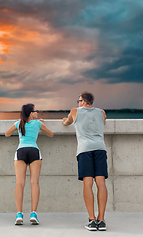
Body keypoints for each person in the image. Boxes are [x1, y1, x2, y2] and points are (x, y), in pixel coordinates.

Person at [62, 92, 108, 231]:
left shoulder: (74, 111)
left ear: (82, 101)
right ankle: (102, 219)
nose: (77, 103)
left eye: (78, 100)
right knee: (101, 183)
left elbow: (67, 122)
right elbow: (102, 122)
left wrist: (65, 120)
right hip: (100, 149)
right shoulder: (101, 112)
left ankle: (91, 220)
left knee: (88, 184)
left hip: (85, 150)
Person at [5, 103, 53, 225]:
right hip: (34, 151)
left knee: (20, 184)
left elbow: (7, 133)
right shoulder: (38, 123)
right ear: (31, 113)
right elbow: (50, 134)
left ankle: (19, 214)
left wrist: (18, 123)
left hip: (21, 151)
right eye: (36, 111)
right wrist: (42, 123)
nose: (37, 112)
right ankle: (33, 213)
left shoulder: (19, 123)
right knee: (34, 183)